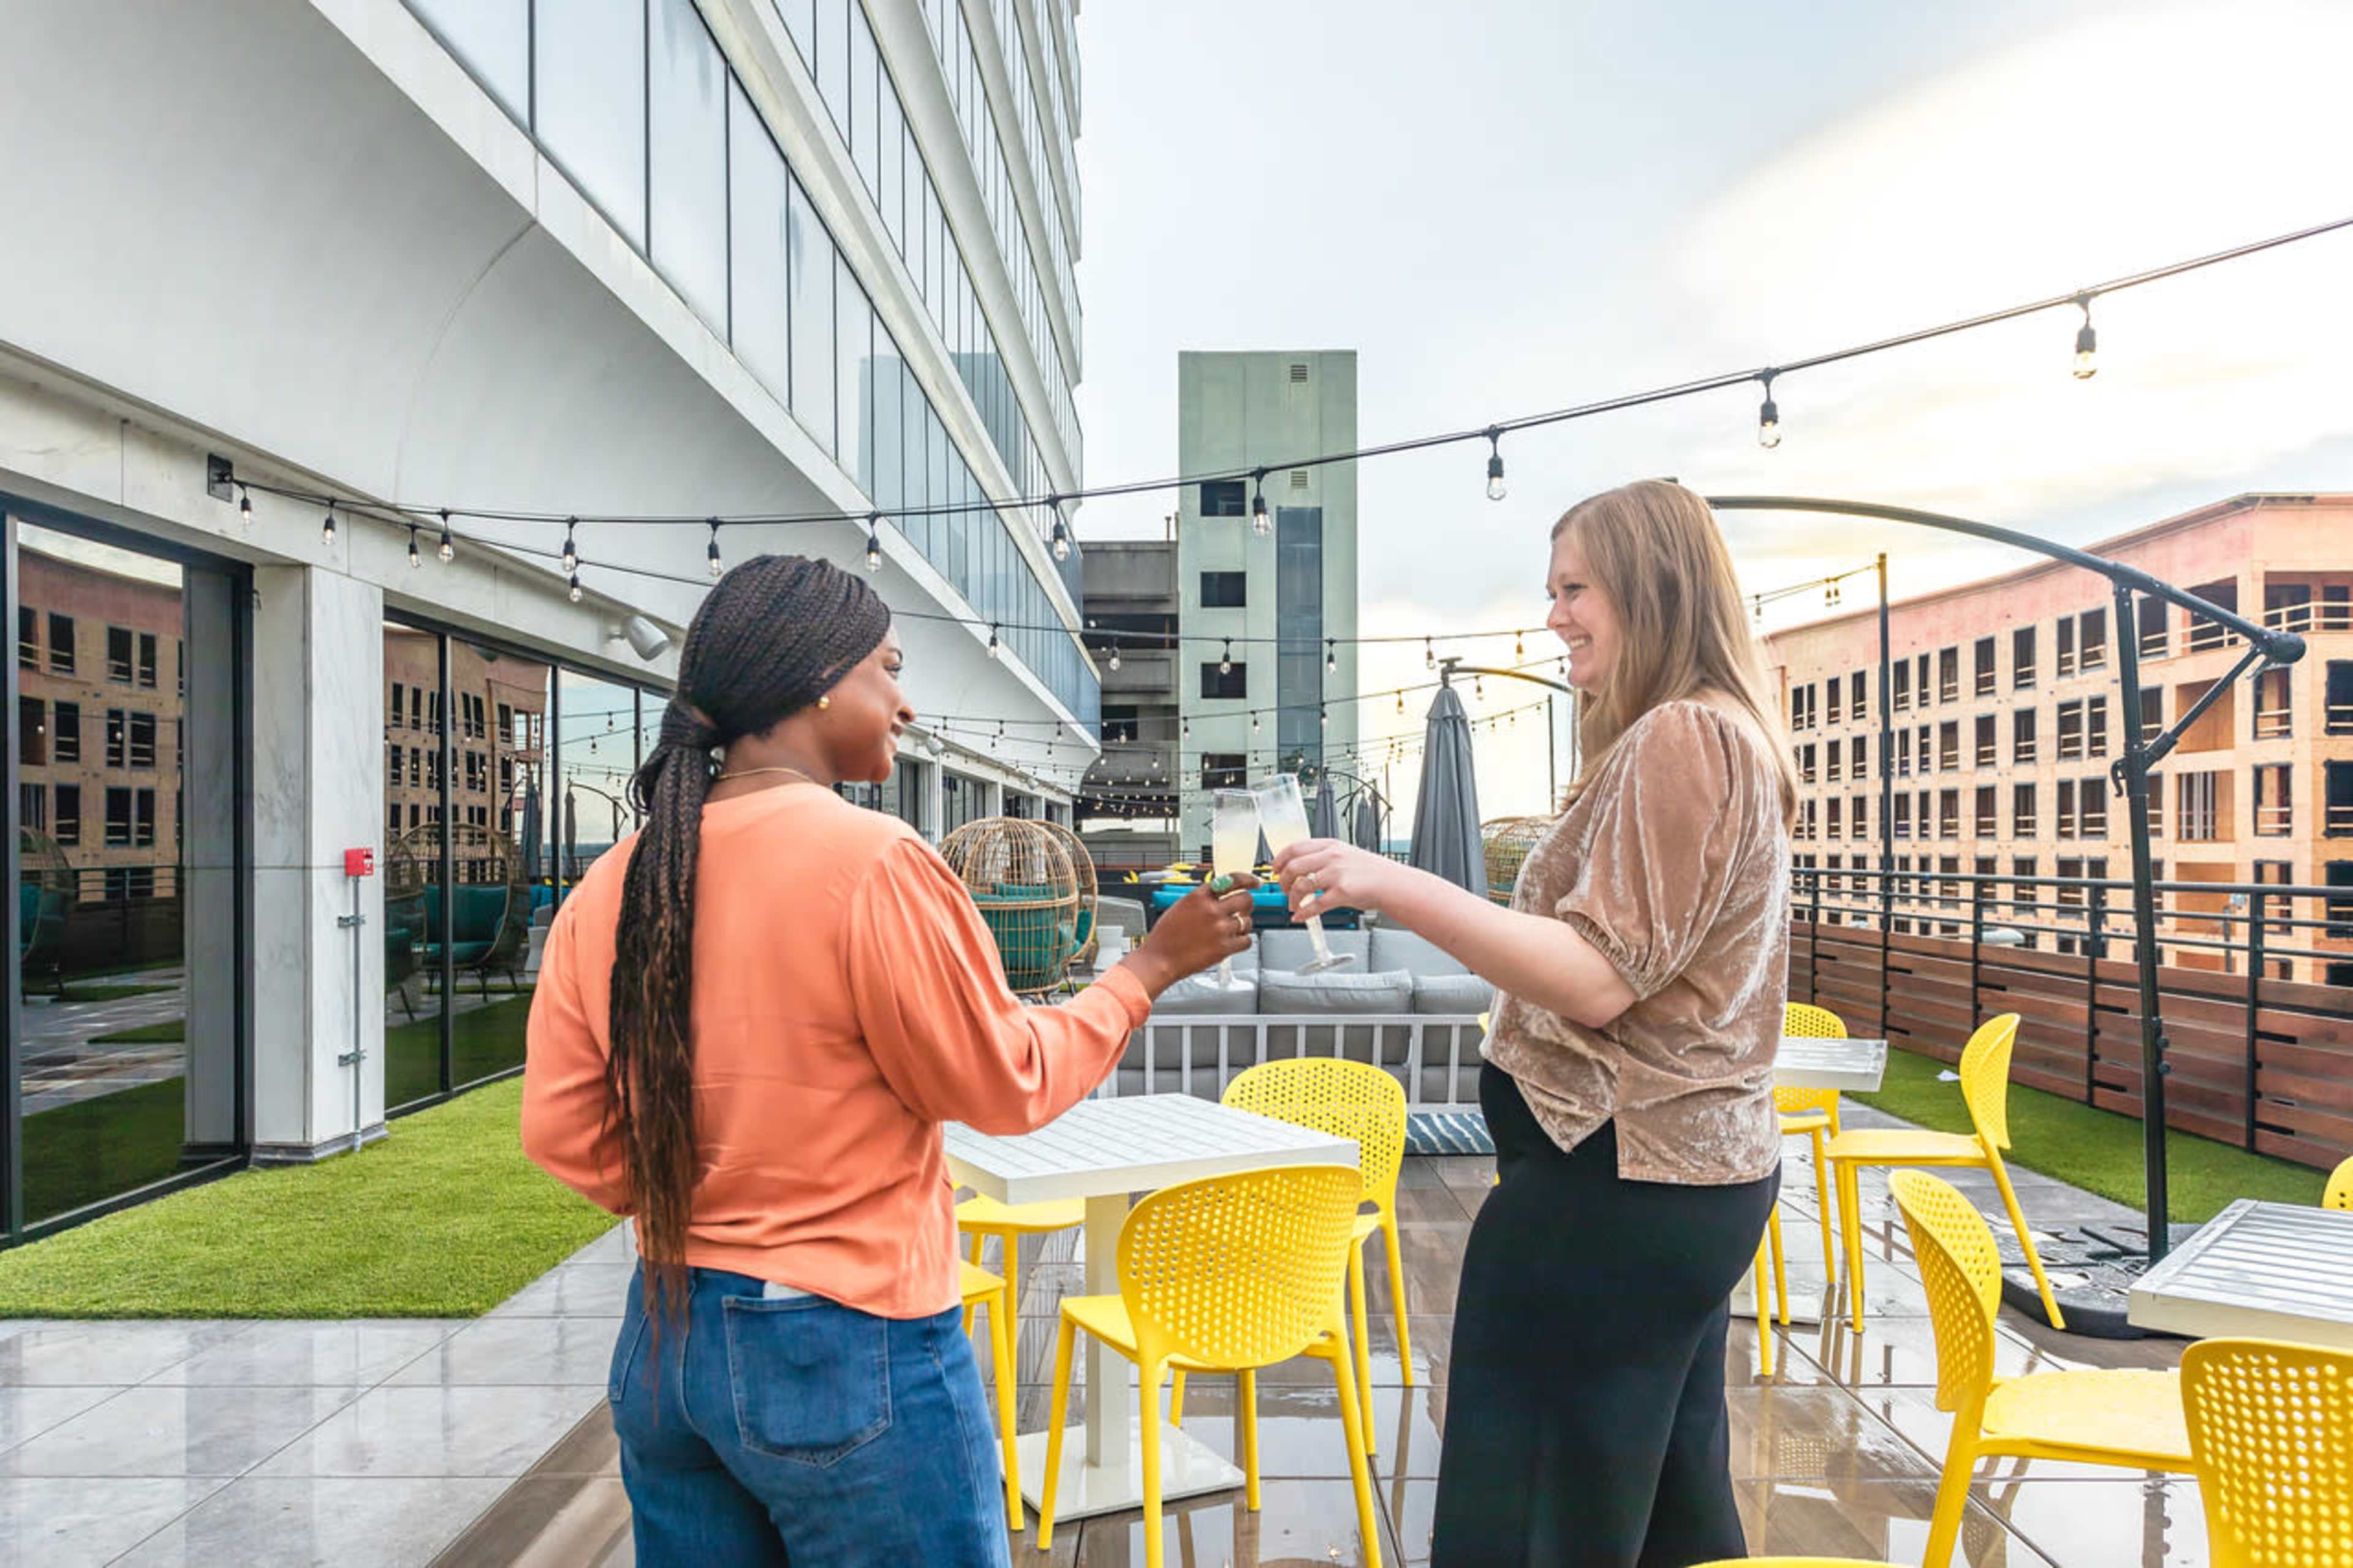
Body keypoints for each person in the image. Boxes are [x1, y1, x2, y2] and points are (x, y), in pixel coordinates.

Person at [521, 555, 1256, 1567]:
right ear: (818, 680)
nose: (903, 704)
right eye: (888, 669)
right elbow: (1005, 1081)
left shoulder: (616, 880)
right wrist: (1143, 973)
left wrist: (714, 1205)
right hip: (846, 1347)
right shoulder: (874, 862)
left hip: (666, 1343)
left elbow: (562, 1132)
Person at [1269, 480, 1796, 1566]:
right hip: (1679, 1182)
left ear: (1651, 589)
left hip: (1615, 1187)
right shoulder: (1719, 734)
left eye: (1575, 588)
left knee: (1534, 1518)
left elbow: (1599, 977)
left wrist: (1389, 882)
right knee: (1664, 1510)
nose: (1554, 615)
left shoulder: (1684, 738)